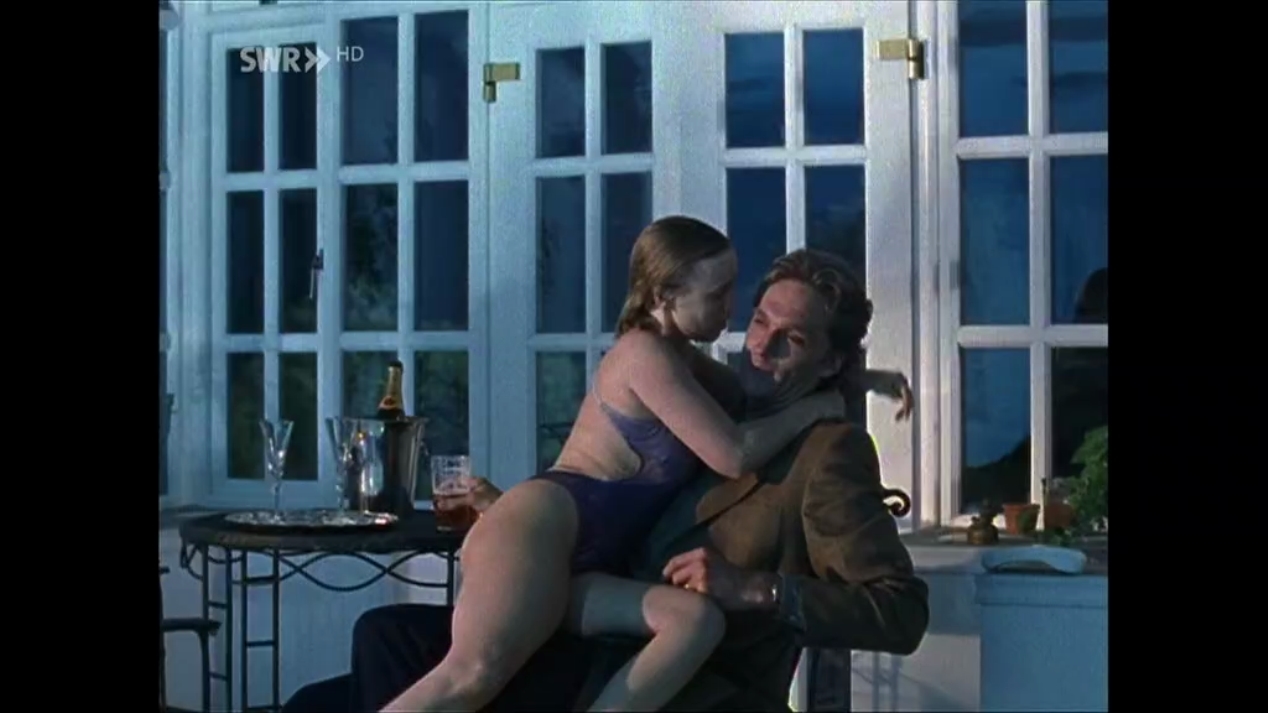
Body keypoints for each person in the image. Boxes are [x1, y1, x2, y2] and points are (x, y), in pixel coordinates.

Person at [282, 247, 928, 713]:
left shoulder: (828, 452)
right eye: (759, 320)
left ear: (830, 361)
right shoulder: (716, 407)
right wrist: (514, 518)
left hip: (686, 680)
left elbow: (899, 612)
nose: (761, 346)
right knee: (366, 648)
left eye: (793, 339)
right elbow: (617, 498)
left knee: (389, 658)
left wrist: (754, 587)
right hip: (597, 631)